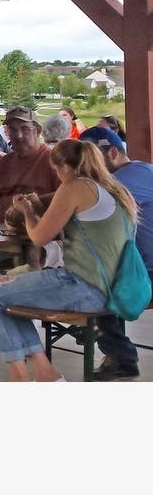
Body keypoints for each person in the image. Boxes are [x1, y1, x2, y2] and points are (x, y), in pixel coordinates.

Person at [0, 138, 142, 382]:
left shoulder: (75, 186)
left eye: (56, 170)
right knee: (3, 298)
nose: (56, 175)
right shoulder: (112, 187)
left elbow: (38, 236)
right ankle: (43, 373)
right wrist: (37, 202)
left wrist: (27, 212)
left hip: (83, 285)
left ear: (65, 168)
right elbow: (56, 201)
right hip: (114, 288)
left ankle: (23, 376)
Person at [78, 127, 153, 381]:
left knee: (93, 285)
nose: (85, 167)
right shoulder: (142, 171)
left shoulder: (127, 178)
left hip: (146, 273)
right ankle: (119, 356)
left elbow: (77, 204)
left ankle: (121, 358)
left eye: (91, 160)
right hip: (138, 268)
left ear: (112, 153)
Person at [0, 106, 62, 224]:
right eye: (13, 130)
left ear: (37, 131)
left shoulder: (54, 161)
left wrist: (30, 203)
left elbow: (66, 197)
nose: (18, 136)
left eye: (25, 129)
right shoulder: (4, 162)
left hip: (35, 236)